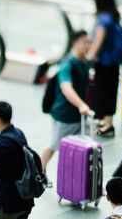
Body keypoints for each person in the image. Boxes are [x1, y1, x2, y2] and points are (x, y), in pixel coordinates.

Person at [41, 30, 96, 171]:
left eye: (89, 42)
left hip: (79, 116)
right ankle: (40, 171)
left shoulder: (84, 62)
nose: (88, 45)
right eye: (85, 42)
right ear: (75, 43)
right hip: (64, 115)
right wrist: (82, 105)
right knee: (54, 145)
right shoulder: (67, 65)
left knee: (84, 144)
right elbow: (66, 88)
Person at [88, 0, 122, 136]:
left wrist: (89, 56)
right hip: (114, 61)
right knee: (111, 91)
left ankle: (105, 124)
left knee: (102, 91)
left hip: (104, 61)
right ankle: (108, 122)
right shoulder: (113, 16)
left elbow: (99, 40)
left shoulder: (103, 18)